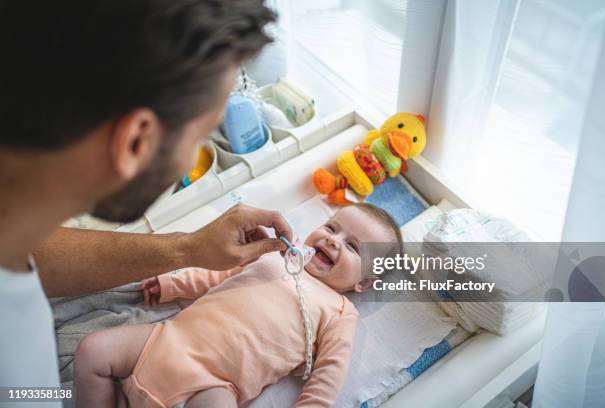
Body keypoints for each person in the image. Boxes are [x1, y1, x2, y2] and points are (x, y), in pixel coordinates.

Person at [0, 0, 291, 402]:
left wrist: (188, 249)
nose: (191, 159)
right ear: (136, 141)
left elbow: (38, 258)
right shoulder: (12, 356)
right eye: (199, 137)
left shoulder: (15, 231)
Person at [73, 204, 403, 408]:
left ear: (362, 284)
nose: (333, 240)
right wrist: (172, 285)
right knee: (92, 350)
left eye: (353, 247)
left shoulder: (340, 312)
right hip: (166, 340)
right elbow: (218, 275)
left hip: (215, 385)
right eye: (332, 227)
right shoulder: (274, 256)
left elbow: (327, 379)